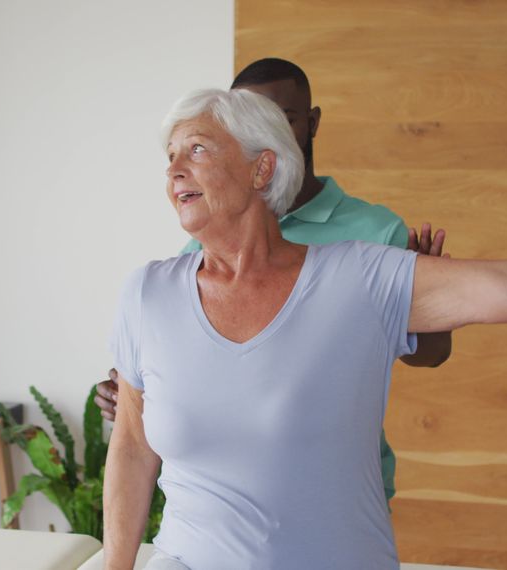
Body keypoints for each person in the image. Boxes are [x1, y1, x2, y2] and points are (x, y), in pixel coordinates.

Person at [103, 88, 507, 569]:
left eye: (198, 149)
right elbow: (132, 445)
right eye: (171, 158)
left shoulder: (356, 279)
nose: (175, 170)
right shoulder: (148, 295)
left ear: (263, 169)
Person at [95, 58, 452, 506]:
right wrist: (133, 395)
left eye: (282, 117)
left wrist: (430, 302)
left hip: (339, 490)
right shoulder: (202, 248)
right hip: (231, 497)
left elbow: (431, 353)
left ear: (312, 122)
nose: (267, 128)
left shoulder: (376, 232)